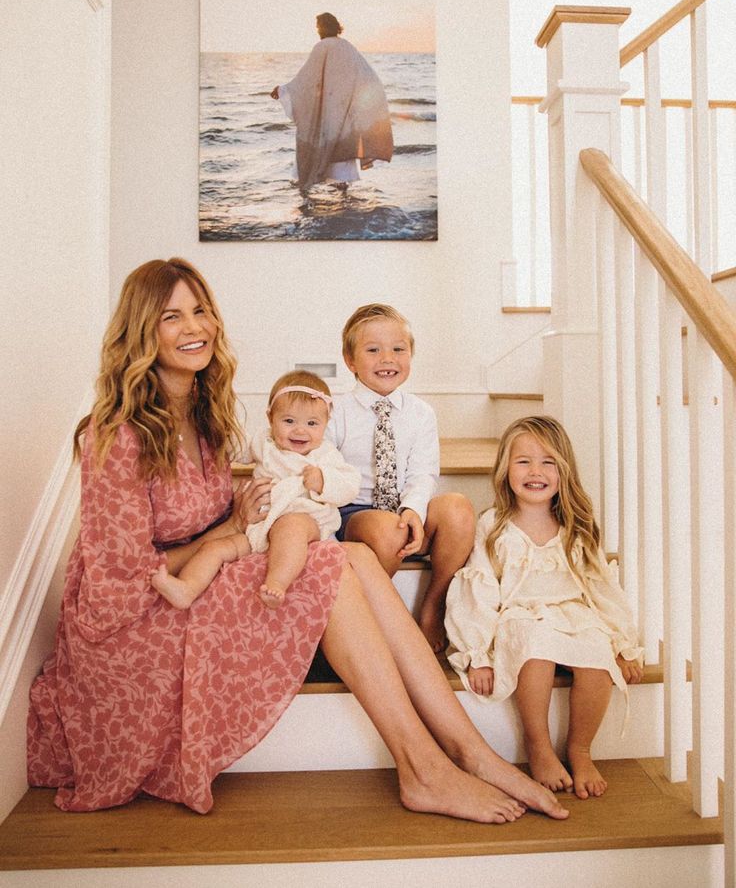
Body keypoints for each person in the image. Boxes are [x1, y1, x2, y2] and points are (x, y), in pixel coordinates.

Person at [26, 258, 568, 823]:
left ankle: (471, 753)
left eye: (201, 311)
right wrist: (227, 535)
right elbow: (118, 579)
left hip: (203, 576)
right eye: (172, 317)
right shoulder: (114, 436)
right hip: (140, 619)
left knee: (351, 553)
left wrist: (231, 532)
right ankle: (425, 769)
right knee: (326, 564)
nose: (195, 328)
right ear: (143, 332)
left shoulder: (207, 417)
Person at [444, 416, 644, 800]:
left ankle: (580, 749)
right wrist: (478, 654)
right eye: (523, 462)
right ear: (505, 469)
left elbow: (601, 588)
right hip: (519, 614)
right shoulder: (494, 526)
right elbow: (479, 589)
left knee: (595, 654)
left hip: (573, 612)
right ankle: (539, 746)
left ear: (563, 471)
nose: (535, 471)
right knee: (535, 651)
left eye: (547, 462)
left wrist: (622, 643)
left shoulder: (576, 527)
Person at [327, 303, 476, 653]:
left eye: (398, 349)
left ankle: (434, 604)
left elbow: (423, 472)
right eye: (373, 350)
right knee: (387, 528)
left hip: (403, 512)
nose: (387, 359)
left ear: (410, 355)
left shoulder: (421, 414)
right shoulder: (336, 411)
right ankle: (375, 618)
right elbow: (327, 471)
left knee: (458, 509)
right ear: (350, 360)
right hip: (355, 515)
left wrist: (412, 509)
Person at [151, 369, 361, 610]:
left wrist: (324, 481)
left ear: (325, 424)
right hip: (260, 527)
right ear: (270, 418)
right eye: (289, 421)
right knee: (215, 548)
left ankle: (277, 583)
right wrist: (217, 431)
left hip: (307, 523)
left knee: (290, 528)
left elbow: (350, 484)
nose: (300, 430)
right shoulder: (264, 442)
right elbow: (236, 448)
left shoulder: (324, 454)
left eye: (312, 423)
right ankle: (187, 588)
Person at [270, 13, 393, 192]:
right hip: (344, 109)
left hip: (329, 108)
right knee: (342, 142)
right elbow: (366, 75)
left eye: (319, 26)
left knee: (322, 140)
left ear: (324, 27)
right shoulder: (348, 47)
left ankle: (309, 193)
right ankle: (343, 192)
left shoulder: (322, 46)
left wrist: (283, 90)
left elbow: (306, 80)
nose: (317, 29)